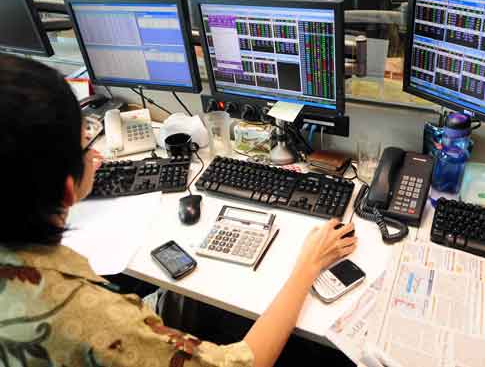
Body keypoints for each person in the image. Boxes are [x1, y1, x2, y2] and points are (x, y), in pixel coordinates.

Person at [0, 53, 358, 367]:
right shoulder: (92, 318)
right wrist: (308, 265)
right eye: (85, 145)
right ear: (66, 189)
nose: (96, 154)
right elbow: (244, 363)